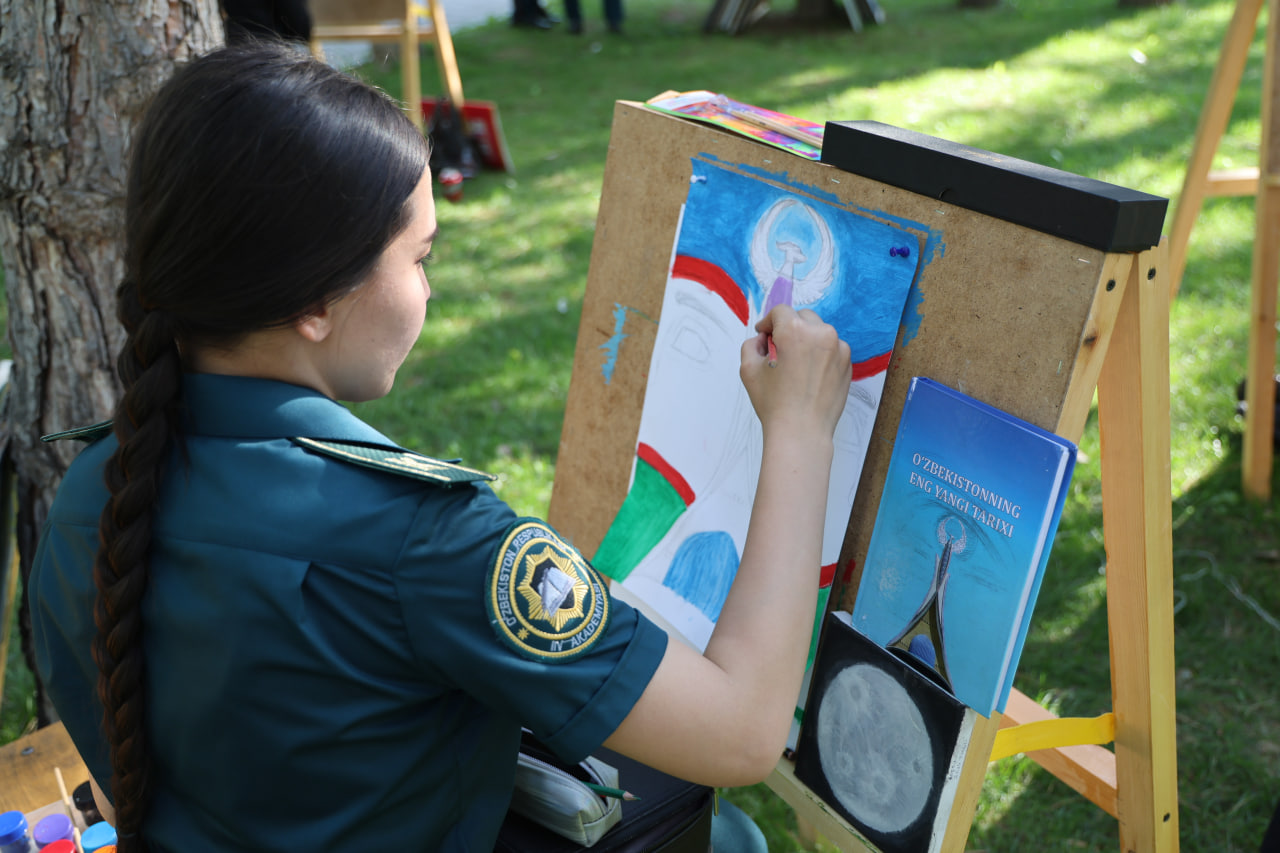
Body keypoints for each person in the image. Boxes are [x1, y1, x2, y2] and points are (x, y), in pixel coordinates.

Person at [28, 42, 853, 852]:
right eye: (419, 256)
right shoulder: (428, 540)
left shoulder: (92, 493)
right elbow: (742, 731)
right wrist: (802, 429)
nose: (429, 285)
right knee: (731, 837)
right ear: (315, 303)